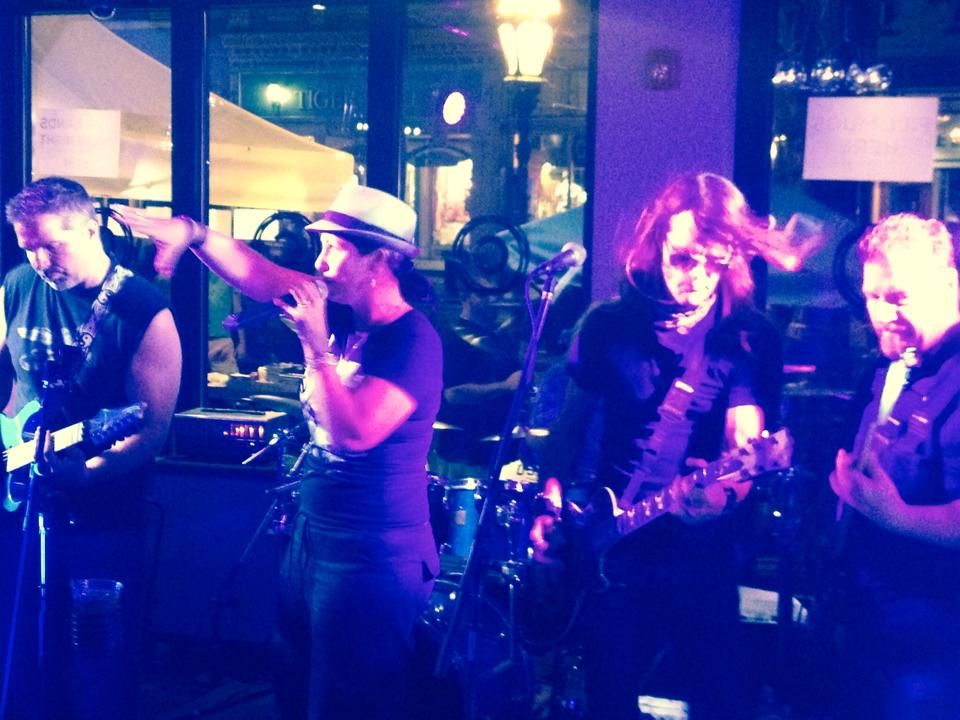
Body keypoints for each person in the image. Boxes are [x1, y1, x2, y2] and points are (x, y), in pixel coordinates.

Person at [118, 183, 442, 720]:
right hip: (314, 538)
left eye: (335, 248)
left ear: (381, 258)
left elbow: (354, 433)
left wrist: (316, 348)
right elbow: (256, 272)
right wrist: (193, 233)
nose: (319, 262)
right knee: (293, 687)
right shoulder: (343, 312)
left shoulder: (410, 339)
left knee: (349, 703)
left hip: (371, 552)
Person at [529, 172, 787, 720]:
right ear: (656, 243)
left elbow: (746, 443)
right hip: (612, 548)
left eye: (714, 262)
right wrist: (549, 505)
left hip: (702, 554)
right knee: (609, 700)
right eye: (683, 258)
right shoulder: (608, 325)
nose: (697, 276)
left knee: (719, 700)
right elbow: (570, 431)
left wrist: (724, 495)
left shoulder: (747, 336)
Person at [0, 176, 182, 719]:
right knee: (22, 648)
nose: (39, 262)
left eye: (50, 246)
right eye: (27, 247)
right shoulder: (16, 285)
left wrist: (88, 473)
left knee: (95, 659)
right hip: (22, 499)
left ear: (90, 229)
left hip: (103, 514)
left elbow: (150, 430)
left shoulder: (143, 311)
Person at [829, 213, 960, 719]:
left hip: (935, 642)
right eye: (873, 296)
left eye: (899, 297)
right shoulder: (889, 368)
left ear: (947, 285)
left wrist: (899, 517)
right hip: (867, 619)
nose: (882, 314)